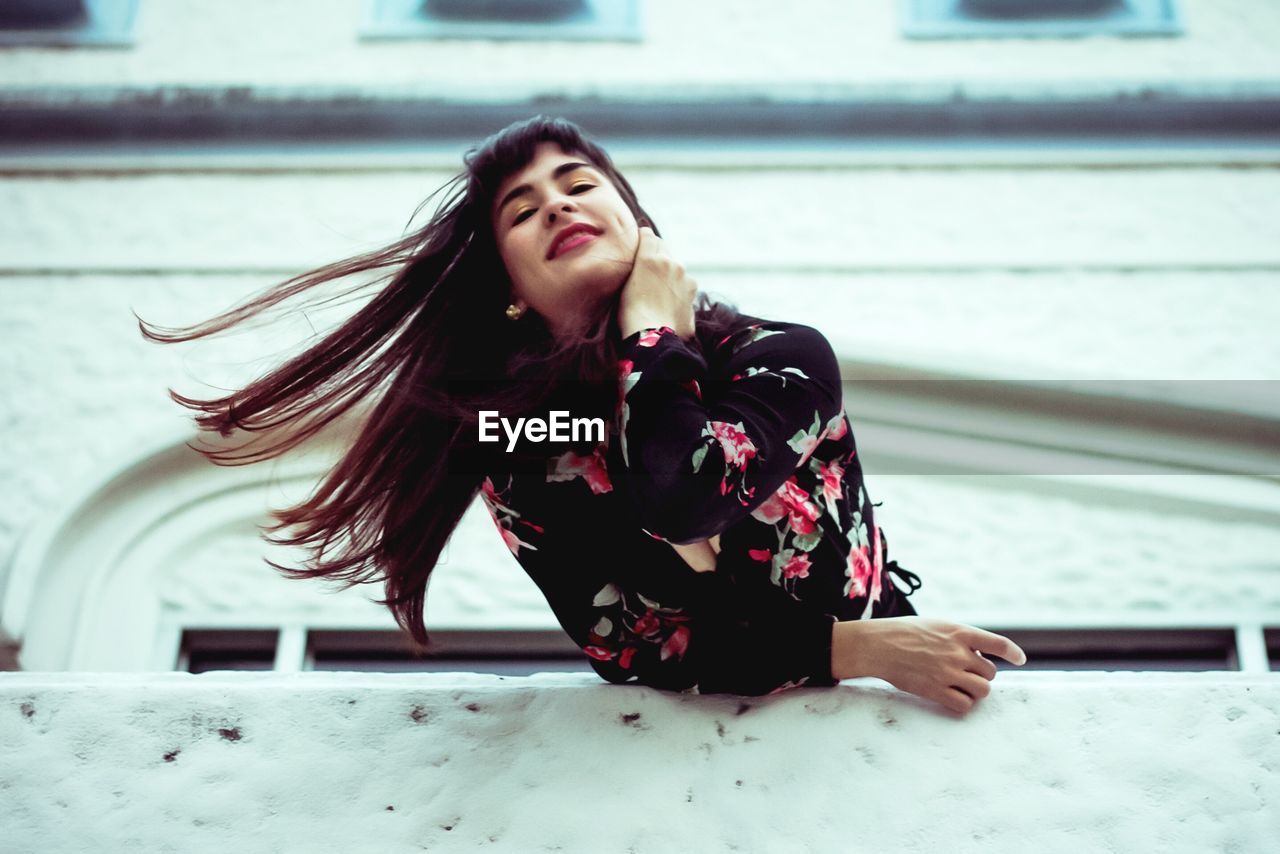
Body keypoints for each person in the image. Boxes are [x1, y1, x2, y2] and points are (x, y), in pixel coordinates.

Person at [137, 115, 1026, 714]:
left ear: (637, 222)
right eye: (522, 211)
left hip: (872, 741)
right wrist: (860, 650)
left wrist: (649, 336)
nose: (556, 204)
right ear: (512, 291)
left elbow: (686, 497)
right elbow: (642, 649)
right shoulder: (525, 446)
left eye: (577, 184)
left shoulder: (783, 358)